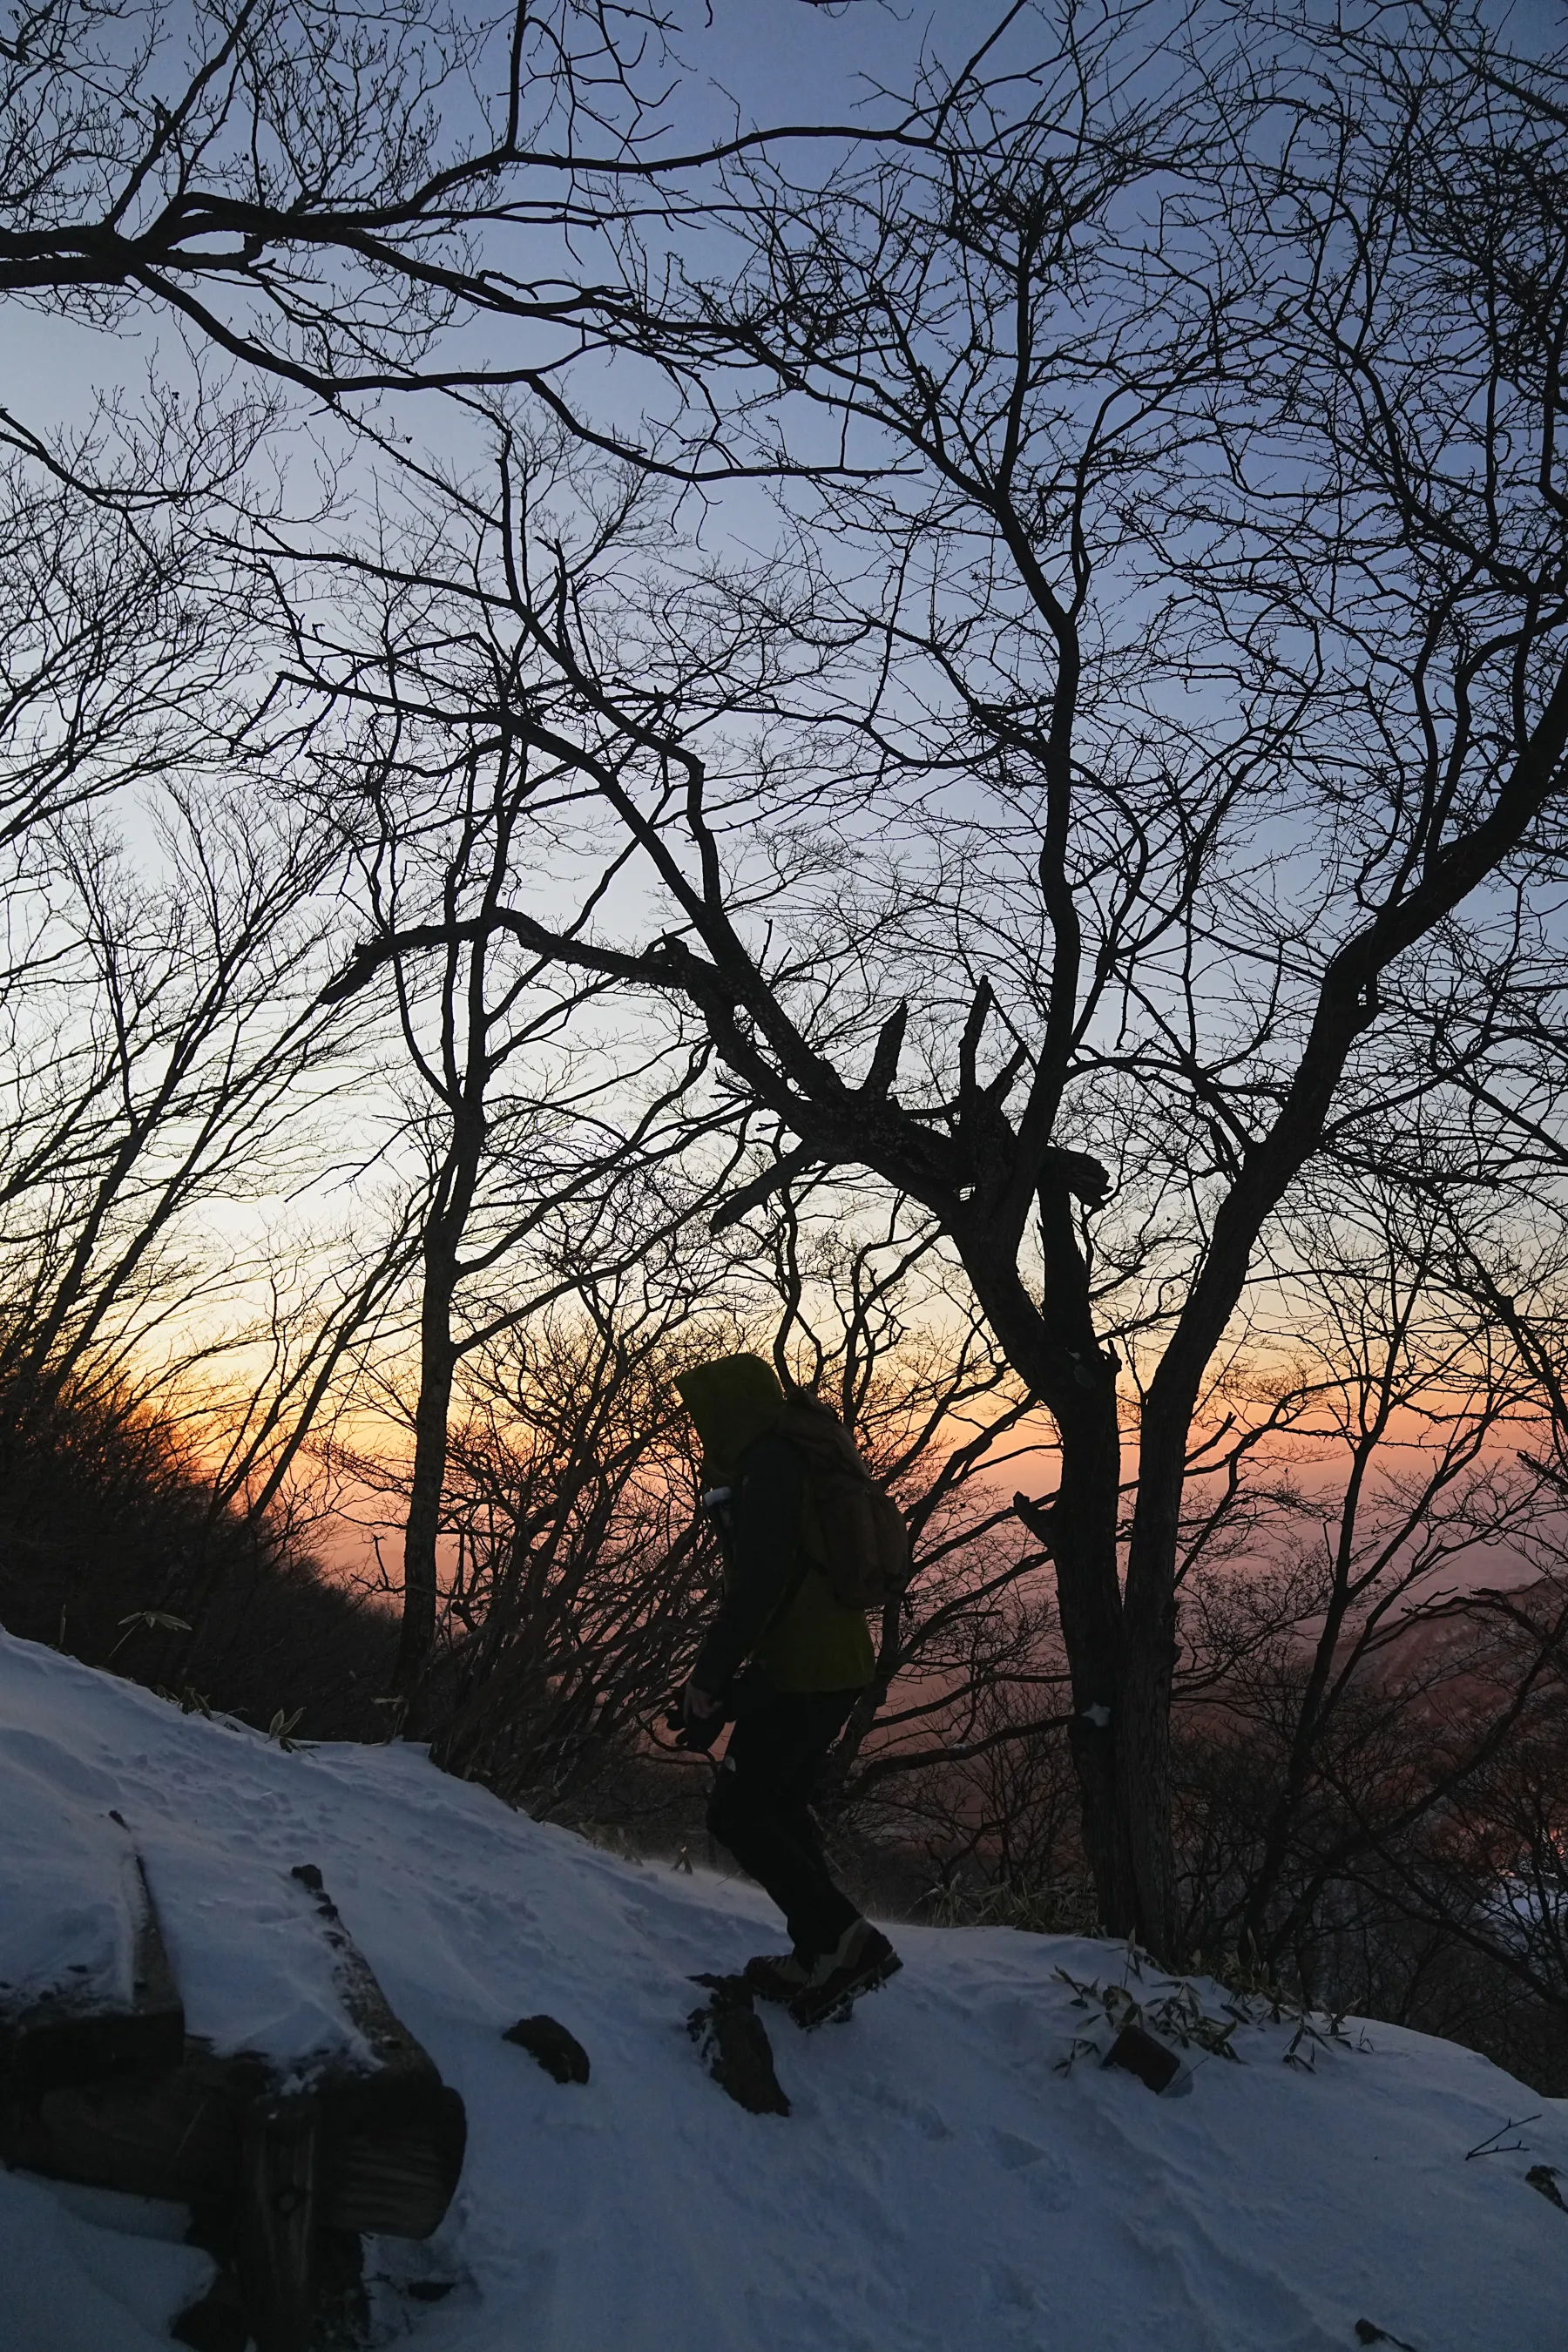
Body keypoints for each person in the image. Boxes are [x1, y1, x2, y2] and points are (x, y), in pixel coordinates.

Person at [674, 1351, 901, 2025]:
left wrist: (710, 1677)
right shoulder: (800, 1453)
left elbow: (760, 1586)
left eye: (703, 1414)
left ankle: (846, 1942)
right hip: (832, 1665)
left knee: (738, 1815)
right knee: (780, 1806)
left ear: (728, 1410)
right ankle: (817, 1955)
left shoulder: (770, 1464)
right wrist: (730, 1695)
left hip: (803, 1670)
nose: (698, 1428)